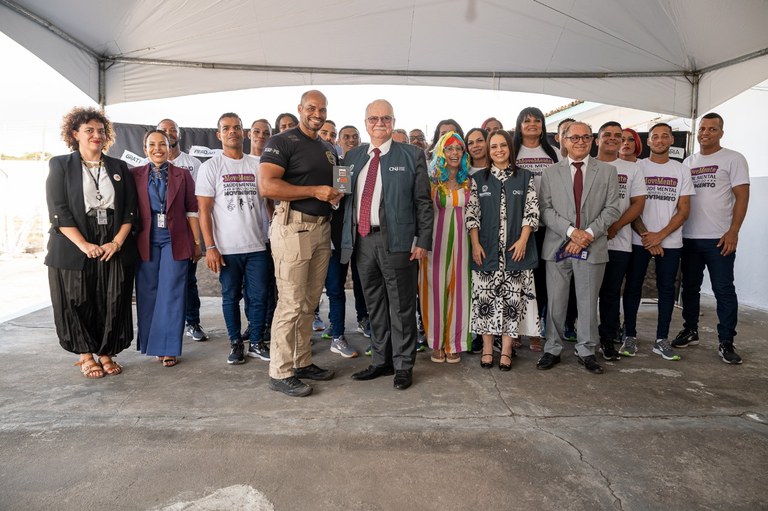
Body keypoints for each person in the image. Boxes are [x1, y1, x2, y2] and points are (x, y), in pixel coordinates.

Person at [341, 99, 433, 390]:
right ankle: (382, 361)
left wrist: (423, 240)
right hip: (362, 241)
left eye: (385, 118)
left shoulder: (412, 155)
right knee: (374, 304)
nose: (379, 123)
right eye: (374, 119)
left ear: (393, 122)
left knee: (402, 306)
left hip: (399, 242)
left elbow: (423, 202)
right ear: (365, 123)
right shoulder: (351, 157)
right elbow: (341, 197)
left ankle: (404, 365)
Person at [259, 90, 342, 397]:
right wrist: (314, 191)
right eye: (311, 108)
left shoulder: (327, 147)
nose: (317, 114)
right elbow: (267, 186)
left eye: (322, 109)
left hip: (321, 229)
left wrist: (334, 194)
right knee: (291, 303)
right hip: (293, 227)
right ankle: (280, 372)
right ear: (300, 109)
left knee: (309, 302)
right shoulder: (282, 141)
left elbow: (335, 186)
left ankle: (301, 361)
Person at [45, 106, 138, 378]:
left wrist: (116, 243)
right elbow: (58, 210)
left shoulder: (119, 167)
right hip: (73, 240)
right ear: (75, 134)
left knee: (113, 297)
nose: (96, 135)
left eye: (100, 130)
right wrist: (84, 245)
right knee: (77, 298)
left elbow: (130, 210)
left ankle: (107, 352)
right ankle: (86, 355)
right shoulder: (60, 165)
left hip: (112, 239)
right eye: (89, 130)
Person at [537, 121, 620, 374]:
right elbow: (545, 210)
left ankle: (586, 350)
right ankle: (552, 348)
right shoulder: (550, 173)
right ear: (563, 140)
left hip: (592, 246)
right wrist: (572, 233)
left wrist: (588, 235)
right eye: (574, 137)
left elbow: (612, 209)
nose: (580, 142)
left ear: (593, 140)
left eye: (586, 137)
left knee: (588, 302)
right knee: (556, 301)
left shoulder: (608, 172)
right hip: (557, 246)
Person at [674, 113, 750, 364]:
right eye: (702, 129)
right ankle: (690, 330)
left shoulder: (734, 159)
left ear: (721, 133)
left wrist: (734, 230)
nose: (705, 133)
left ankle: (726, 340)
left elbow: (742, 197)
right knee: (690, 288)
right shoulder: (688, 162)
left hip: (719, 238)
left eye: (712, 129)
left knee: (723, 290)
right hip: (689, 237)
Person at [197, 113, 271, 366]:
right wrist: (210, 247)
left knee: (259, 297)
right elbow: (203, 211)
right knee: (230, 298)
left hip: (257, 245)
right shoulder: (210, 167)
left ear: (243, 132)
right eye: (226, 128)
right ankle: (235, 343)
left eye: (237, 127)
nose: (232, 132)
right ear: (219, 134)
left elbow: (268, 203)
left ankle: (257, 342)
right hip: (227, 249)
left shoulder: (257, 164)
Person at [467, 130, 540, 371]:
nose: (499, 150)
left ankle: (507, 350)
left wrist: (523, 240)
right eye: (494, 146)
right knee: (485, 300)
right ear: (489, 151)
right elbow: (472, 214)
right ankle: (487, 349)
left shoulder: (525, 177)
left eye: (503, 145)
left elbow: (531, 211)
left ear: (510, 148)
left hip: (515, 250)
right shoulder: (479, 179)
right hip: (486, 251)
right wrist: (475, 244)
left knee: (512, 301)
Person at [622, 123, 694, 361]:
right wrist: (648, 237)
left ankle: (661, 339)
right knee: (633, 287)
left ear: (672, 140)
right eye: (655, 136)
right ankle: (629, 335)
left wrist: (659, 236)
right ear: (648, 141)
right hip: (639, 240)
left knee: (666, 290)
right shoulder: (637, 167)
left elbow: (684, 210)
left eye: (665, 136)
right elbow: (632, 207)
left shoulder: (681, 170)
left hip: (670, 242)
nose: (660, 140)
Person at [132, 130, 201, 367]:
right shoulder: (134, 175)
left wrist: (197, 243)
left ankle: (168, 348)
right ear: (145, 149)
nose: (157, 149)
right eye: (152, 144)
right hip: (145, 240)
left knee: (172, 292)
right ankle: (152, 345)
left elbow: (192, 210)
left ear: (170, 148)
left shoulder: (183, 175)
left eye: (162, 144)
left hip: (175, 239)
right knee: (147, 293)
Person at [594, 122, 646, 360]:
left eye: (618, 135)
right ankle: (584, 338)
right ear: (597, 140)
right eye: (607, 134)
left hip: (618, 241)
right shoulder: (586, 164)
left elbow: (638, 204)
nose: (613, 138)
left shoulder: (632, 169)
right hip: (587, 241)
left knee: (611, 293)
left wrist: (615, 226)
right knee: (584, 293)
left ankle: (607, 339)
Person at [419, 132, 472, 364]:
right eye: (449, 148)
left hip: (464, 245)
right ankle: (436, 342)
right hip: (434, 245)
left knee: (460, 293)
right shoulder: (431, 182)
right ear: (441, 152)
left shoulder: (469, 182)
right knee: (434, 292)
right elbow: (421, 213)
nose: (454, 153)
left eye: (458, 148)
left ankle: (454, 343)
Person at [155, 118, 208, 343]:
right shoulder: (148, 165)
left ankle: (192, 321)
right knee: (160, 281)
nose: (169, 133)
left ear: (179, 134)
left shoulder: (193, 163)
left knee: (187, 279)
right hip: (158, 233)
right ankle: (164, 324)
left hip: (185, 231)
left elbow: (196, 203)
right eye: (163, 130)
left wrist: (197, 240)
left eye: (172, 130)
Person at [512, 107, 561, 351]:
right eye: (527, 121)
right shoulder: (513, 152)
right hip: (518, 227)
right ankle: (516, 329)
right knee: (519, 279)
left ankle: (535, 330)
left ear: (542, 126)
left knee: (541, 280)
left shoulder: (555, 153)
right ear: (519, 126)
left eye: (537, 121)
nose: (532, 124)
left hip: (548, 227)